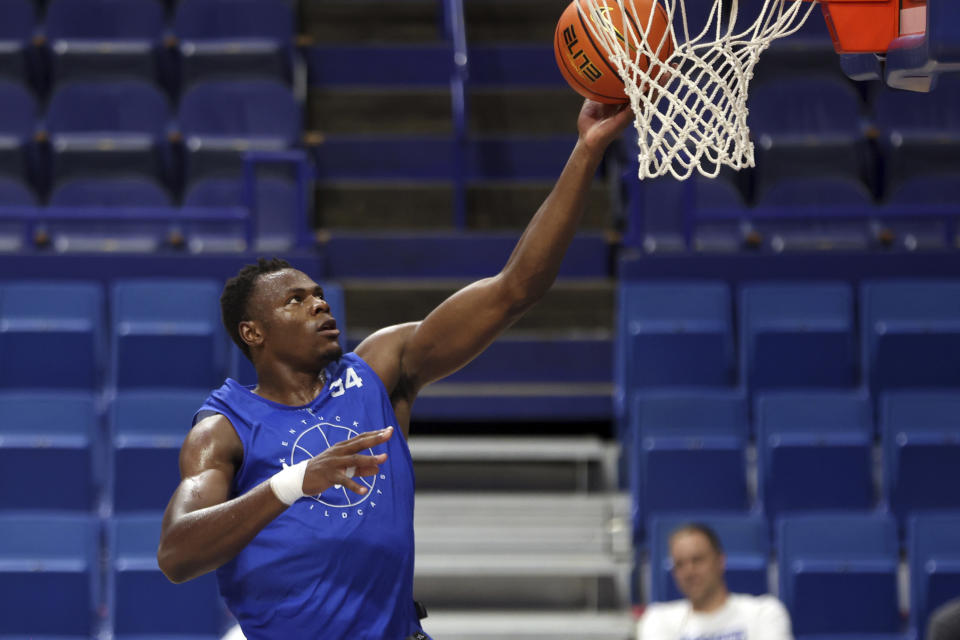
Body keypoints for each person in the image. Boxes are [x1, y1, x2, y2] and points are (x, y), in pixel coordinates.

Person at [156, 99, 633, 640]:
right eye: (294, 300)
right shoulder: (225, 426)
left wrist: (586, 150)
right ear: (253, 333)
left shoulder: (378, 370)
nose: (319, 304)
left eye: (318, 294)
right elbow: (176, 553)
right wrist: (294, 483)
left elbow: (513, 290)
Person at [637, 523, 793, 640]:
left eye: (697, 560)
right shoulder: (658, 619)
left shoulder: (764, 612)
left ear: (720, 561)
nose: (689, 572)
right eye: (680, 565)